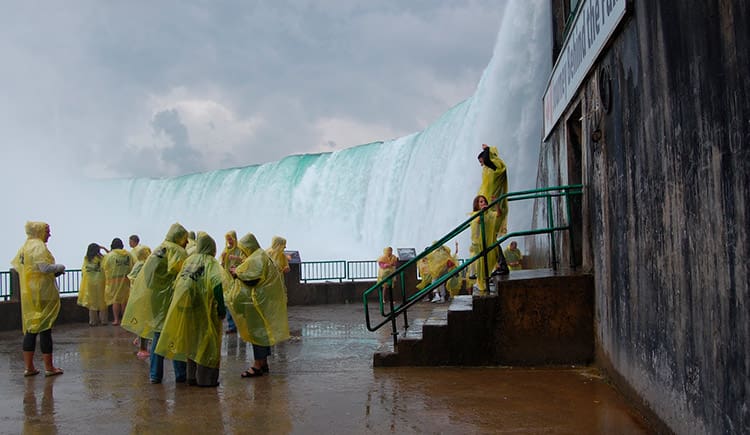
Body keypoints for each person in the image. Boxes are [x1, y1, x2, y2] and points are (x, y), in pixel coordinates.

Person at [155, 232, 230, 387]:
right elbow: (216, 286)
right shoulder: (211, 263)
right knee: (207, 343)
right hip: (204, 310)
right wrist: (221, 309)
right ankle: (205, 380)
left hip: (186, 308)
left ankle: (191, 377)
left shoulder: (189, 261)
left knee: (192, 342)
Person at [121, 223, 189, 384]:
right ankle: (180, 374)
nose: (186, 243)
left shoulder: (159, 249)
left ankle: (155, 374)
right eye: (185, 239)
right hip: (171, 299)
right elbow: (182, 275)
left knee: (158, 334)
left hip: (155, 298)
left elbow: (147, 275)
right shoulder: (177, 251)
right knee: (175, 335)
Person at [225, 233, 290, 378]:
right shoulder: (260, 255)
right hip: (263, 301)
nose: (242, 251)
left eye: (243, 248)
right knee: (263, 334)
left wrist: (236, 274)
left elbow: (253, 280)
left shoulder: (256, 258)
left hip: (257, 303)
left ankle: (257, 365)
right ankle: (264, 363)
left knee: (258, 334)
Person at [11, 221, 65, 377]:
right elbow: (44, 268)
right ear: (39, 231)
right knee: (45, 329)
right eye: (47, 231)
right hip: (42, 292)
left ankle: (29, 367)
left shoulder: (25, 247)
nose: (49, 234)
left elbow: (18, 267)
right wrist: (60, 267)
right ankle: (49, 367)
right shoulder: (38, 246)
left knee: (31, 328)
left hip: (29, 292)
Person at [477, 144, 509, 238]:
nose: (481, 164)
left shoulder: (496, 166)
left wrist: (487, 149)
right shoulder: (490, 168)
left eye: (481, 161)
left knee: (491, 227)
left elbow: (487, 160)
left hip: (495, 200)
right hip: (494, 200)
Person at [470, 195, 499, 295]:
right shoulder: (475, 215)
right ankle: (481, 283)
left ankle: (486, 280)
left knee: (491, 260)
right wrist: (482, 211)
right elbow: (477, 222)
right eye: (481, 202)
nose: (483, 203)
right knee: (481, 264)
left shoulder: (489, 214)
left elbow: (498, 214)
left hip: (489, 243)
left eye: (484, 201)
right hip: (479, 245)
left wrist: (496, 204)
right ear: (477, 205)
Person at [102, 238, 134, 326]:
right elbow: (132, 264)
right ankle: (124, 319)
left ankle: (116, 320)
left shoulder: (110, 255)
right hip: (126, 280)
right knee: (124, 300)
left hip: (114, 281)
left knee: (116, 300)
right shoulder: (128, 254)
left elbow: (105, 266)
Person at [128, 244, 152, 358]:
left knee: (140, 319)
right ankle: (143, 348)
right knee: (144, 321)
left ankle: (139, 339)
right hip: (143, 296)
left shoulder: (138, 263)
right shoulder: (145, 265)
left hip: (136, 295)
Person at [220, 231, 245, 334]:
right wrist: (223, 258)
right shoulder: (225, 250)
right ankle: (232, 326)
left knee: (237, 301)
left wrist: (236, 258)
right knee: (229, 301)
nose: (229, 242)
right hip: (228, 279)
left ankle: (240, 324)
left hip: (237, 278)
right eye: (228, 240)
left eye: (231, 239)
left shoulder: (240, 250)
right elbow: (221, 265)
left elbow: (246, 261)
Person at [77, 243, 109, 326]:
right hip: (100, 282)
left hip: (89, 283)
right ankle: (104, 320)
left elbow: (84, 270)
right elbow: (111, 255)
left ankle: (93, 321)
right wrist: (104, 248)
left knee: (92, 302)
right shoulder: (102, 258)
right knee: (102, 302)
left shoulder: (87, 259)